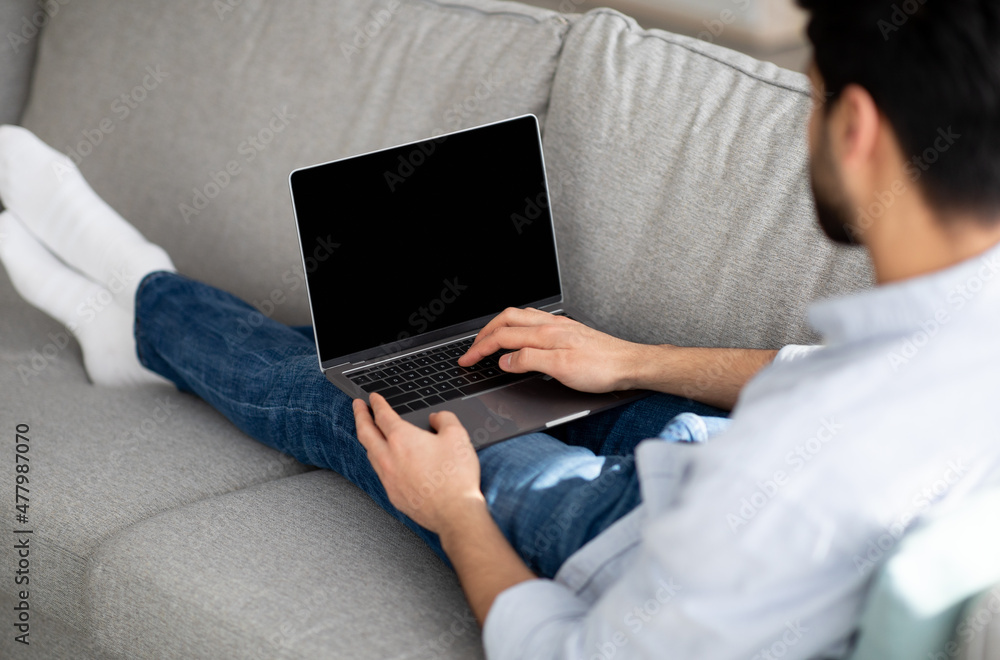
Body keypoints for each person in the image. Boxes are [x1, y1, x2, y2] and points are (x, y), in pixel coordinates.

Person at [2, 0, 999, 656]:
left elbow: (569, 651)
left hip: (619, 533)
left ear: (857, 130)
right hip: (707, 455)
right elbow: (833, 387)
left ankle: (139, 304)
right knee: (485, 356)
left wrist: (455, 509)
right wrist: (630, 361)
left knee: (355, 408)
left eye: (813, 103)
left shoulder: (780, 482)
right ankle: (145, 326)